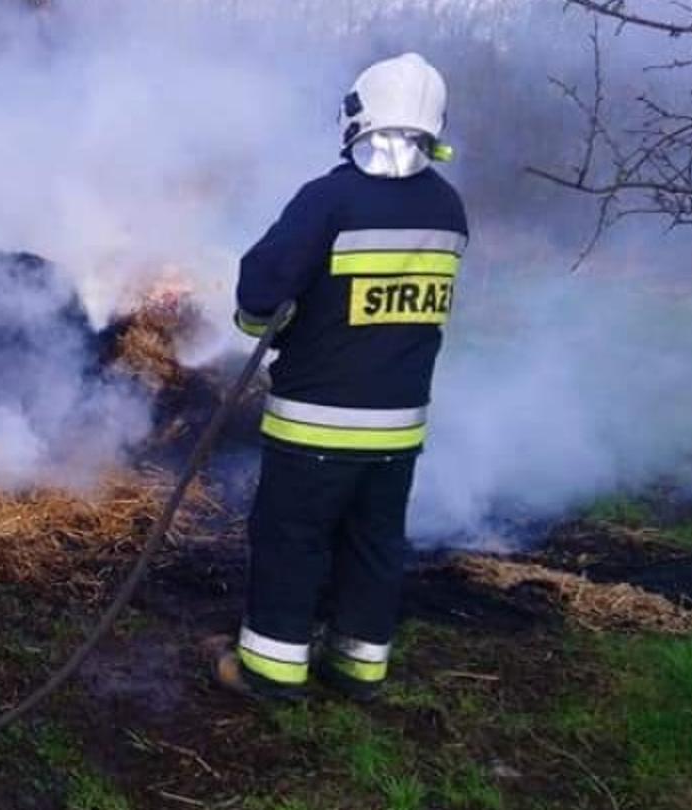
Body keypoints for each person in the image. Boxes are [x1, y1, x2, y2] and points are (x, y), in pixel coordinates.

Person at [216, 53, 469, 703]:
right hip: (399, 428)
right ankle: (358, 667)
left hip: (316, 423)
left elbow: (262, 294)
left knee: (292, 539)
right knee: (374, 543)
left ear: (357, 115)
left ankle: (270, 669)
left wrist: (261, 319)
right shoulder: (448, 210)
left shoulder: (329, 199)